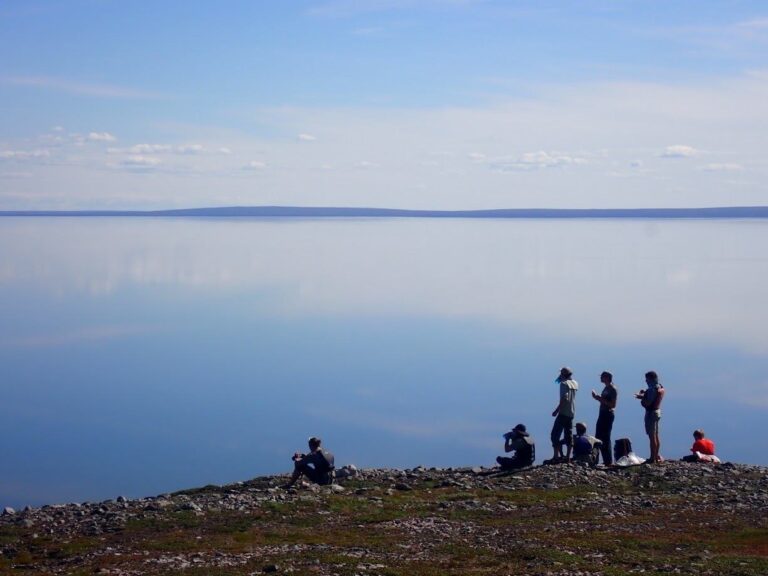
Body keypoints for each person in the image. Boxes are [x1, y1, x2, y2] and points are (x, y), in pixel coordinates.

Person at [549, 366, 579, 463]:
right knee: (568, 435)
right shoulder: (575, 383)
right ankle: (568, 457)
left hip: (563, 413)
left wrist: (556, 410)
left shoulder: (563, 384)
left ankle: (556, 456)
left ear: (562, 374)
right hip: (571, 412)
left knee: (554, 435)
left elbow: (565, 398)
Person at [635, 371, 665, 464]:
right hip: (657, 412)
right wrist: (645, 394)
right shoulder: (659, 386)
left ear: (650, 378)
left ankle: (652, 458)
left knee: (652, 436)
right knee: (656, 435)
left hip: (651, 413)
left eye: (647, 379)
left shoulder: (652, 389)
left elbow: (648, 402)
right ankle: (656, 456)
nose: (646, 381)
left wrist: (642, 398)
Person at [591, 371, 617, 465]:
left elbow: (613, 405)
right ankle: (595, 460)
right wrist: (597, 398)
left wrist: (598, 398)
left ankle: (608, 461)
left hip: (607, 415)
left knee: (605, 438)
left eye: (602, 376)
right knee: (598, 436)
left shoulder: (612, 389)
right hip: (602, 413)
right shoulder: (606, 388)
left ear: (607, 377)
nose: (600, 378)